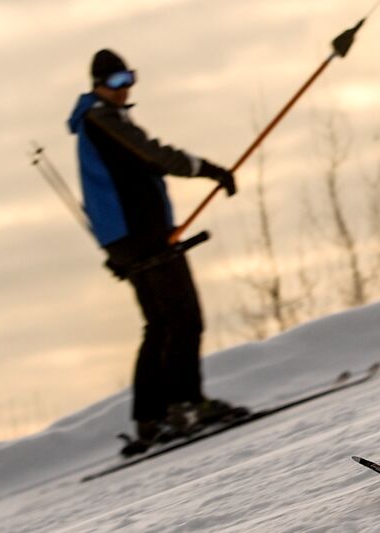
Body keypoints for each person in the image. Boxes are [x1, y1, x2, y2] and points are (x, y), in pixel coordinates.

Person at [67, 48, 246, 454]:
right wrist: (210, 170)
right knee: (183, 317)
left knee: (161, 324)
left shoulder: (99, 121)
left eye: (129, 78)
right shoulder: (102, 120)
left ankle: (151, 419)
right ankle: (185, 407)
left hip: (128, 239)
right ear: (97, 86)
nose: (124, 87)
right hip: (143, 236)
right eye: (115, 82)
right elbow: (154, 155)